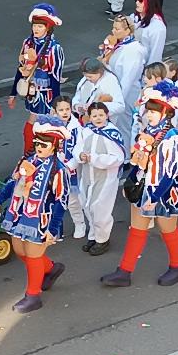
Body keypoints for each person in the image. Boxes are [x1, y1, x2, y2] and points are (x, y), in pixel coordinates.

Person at [102, 82, 178, 287]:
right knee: (137, 228)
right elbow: (140, 160)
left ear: (166, 113)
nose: (149, 115)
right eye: (148, 110)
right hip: (144, 185)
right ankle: (124, 271)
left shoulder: (172, 138)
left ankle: (177, 267)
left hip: (164, 190)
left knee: (168, 229)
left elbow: (170, 172)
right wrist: (132, 182)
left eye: (154, 111)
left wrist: (154, 197)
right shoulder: (149, 131)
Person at [0, 115, 71, 313]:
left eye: (44, 144)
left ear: (54, 145)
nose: (39, 147)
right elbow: (12, 183)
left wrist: (52, 229)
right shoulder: (27, 160)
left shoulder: (59, 170)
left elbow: (61, 201)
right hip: (19, 213)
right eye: (37, 143)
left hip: (41, 218)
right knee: (20, 250)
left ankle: (33, 296)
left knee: (33, 255)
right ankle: (50, 268)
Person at [9, 4, 66, 154]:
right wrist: (13, 93)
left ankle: (36, 156)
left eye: (40, 26)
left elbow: (55, 77)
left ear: (48, 27)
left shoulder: (54, 48)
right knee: (34, 126)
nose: (36, 29)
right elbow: (20, 68)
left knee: (41, 128)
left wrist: (55, 103)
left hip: (46, 93)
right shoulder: (28, 43)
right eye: (34, 25)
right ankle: (31, 155)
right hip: (30, 91)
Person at [78, 102, 128, 255]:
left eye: (101, 115)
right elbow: (78, 147)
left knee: (100, 209)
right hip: (88, 175)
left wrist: (95, 158)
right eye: (94, 115)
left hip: (105, 178)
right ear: (90, 117)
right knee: (87, 206)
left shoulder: (112, 133)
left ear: (107, 115)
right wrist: (80, 155)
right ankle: (93, 235)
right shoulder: (86, 130)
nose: (98, 118)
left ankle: (102, 240)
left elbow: (118, 158)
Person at [52, 96, 89, 240]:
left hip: (72, 170)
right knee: (56, 200)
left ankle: (80, 224)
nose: (65, 112)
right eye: (61, 110)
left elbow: (80, 149)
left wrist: (69, 166)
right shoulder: (51, 127)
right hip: (54, 169)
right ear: (55, 111)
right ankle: (55, 229)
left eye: (67, 109)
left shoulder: (76, 128)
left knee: (75, 200)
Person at [100, 15, 147, 116]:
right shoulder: (118, 44)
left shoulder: (134, 50)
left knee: (123, 122)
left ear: (127, 31)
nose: (113, 31)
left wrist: (118, 102)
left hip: (127, 95)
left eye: (117, 29)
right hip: (113, 89)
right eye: (113, 28)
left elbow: (127, 79)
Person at [72, 58, 127, 134]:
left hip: (103, 125)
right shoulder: (86, 79)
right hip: (85, 121)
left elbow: (120, 106)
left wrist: (96, 107)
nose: (87, 79)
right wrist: (77, 106)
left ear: (100, 72)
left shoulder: (110, 81)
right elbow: (78, 95)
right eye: (85, 76)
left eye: (90, 77)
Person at [133, 0, 168, 65]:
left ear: (149, 3)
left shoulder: (158, 27)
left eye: (140, 1)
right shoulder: (133, 17)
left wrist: (149, 70)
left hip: (144, 66)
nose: (137, 3)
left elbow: (156, 53)